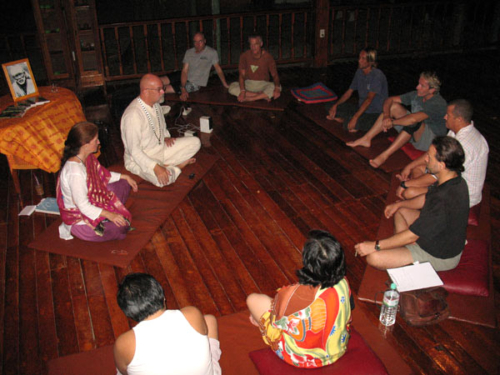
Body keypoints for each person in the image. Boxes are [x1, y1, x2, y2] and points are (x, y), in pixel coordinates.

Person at [355, 136, 469, 272]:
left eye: (430, 157)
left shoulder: (443, 199)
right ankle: (405, 251)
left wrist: (375, 246)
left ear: (441, 165)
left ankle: (411, 261)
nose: (426, 159)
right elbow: (427, 198)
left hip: (440, 255)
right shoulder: (455, 179)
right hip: (437, 235)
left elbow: (413, 234)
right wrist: (399, 205)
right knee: (401, 211)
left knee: (373, 257)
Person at [246, 230, 352, 369]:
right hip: (337, 350)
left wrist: (261, 319)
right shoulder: (343, 282)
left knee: (252, 299)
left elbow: (276, 316)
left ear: (307, 262)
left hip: (298, 358)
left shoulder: (294, 295)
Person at [114, 273, 221, 375]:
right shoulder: (192, 313)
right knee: (209, 320)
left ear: (129, 313)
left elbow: (124, 371)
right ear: (163, 298)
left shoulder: (123, 343)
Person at [396, 99, 489, 207]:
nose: (444, 117)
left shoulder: (463, 145)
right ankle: (421, 198)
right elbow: (433, 154)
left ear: (459, 119)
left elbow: (439, 173)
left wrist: (405, 184)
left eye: (448, 115)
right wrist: (409, 167)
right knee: (417, 168)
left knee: (409, 193)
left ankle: (420, 204)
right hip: (447, 179)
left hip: (461, 195)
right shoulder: (457, 132)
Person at [57, 122, 138, 242]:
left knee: (123, 184)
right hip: (81, 221)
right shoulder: (75, 172)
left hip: (93, 200)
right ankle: (106, 219)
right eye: (96, 140)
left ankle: (107, 214)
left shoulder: (86, 157)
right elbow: (83, 206)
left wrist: (124, 176)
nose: (99, 142)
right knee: (122, 226)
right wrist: (110, 215)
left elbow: (102, 176)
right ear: (85, 144)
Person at [347, 72, 447, 168]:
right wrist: (387, 116)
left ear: (432, 90)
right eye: (418, 84)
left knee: (413, 121)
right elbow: (389, 100)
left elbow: (413, 119)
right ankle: (366, 139)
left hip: (431, 141)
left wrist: (392, 122)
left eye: (422, 86)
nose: (417, 87)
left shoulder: (438, 103)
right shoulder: (417, 94)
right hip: (414, 132)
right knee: (393, 107)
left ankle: (384, 155)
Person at [121, 73, 201, 187]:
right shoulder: (133, 115)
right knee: (162, 181)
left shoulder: (156, 103)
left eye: (162, 88)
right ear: (146, 91)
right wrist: (155, 167)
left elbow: (161, 125)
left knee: (195, 142)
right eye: (159, 89)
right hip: (141, 160)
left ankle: (166, 166)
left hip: (160, 149)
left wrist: (166, 136)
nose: (163, 92)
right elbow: (134, 151)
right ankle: (179, 166)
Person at [326, 48, 388, 132]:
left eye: (363, 59)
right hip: (361, 109)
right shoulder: (359, 72)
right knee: (329, 106)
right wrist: (336, 105)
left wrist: (355, 117)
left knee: (349, 125)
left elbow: (369, 100)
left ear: (370, 62)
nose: (359, 61)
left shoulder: (377, 75)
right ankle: (349, 119)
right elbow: (349, 91)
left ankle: (348, 120)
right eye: (359, 58)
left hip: (375, 113)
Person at [176, 32, 229, 101]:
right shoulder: (189, 52)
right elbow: (184, 71)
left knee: (165, 88)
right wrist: (183, 87)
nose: (198, 44)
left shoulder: (211, 52)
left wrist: (225, 84)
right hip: (182, 76)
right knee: (162, 80)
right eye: (195, 42)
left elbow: (218, 69)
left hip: (194, 81)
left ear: (204, 41)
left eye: (200, 41)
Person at [228, 35, 281, 102]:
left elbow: (275, 75)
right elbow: (242, 75)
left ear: (261, 44)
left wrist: (277, 88)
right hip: (248, 83)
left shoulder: (268, 57)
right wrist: (243, 91)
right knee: (231, 87)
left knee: (278, 87)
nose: (253, 47)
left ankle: (251, 98)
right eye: (251, 44)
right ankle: (261, 96)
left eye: (256, 44)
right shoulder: (244, 56)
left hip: (263, 84)